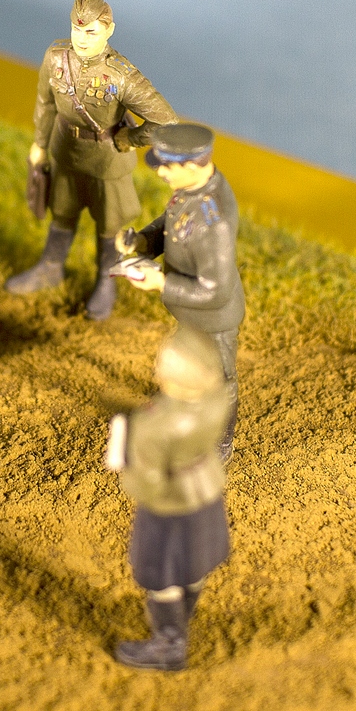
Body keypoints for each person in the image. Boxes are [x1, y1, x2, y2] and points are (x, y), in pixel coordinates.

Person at [5, 0, 178, 320]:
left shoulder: (121, 75)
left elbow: (166, 121)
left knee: (110, 225)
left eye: (91, 32)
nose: (82, 39)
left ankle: (105, 281)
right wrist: (39, 144)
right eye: (76, 29)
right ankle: (50, 267)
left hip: (107, 162)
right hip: (66, 153)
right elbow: (45, 103)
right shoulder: (56, 57)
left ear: (108, 30)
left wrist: (130, 138)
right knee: (62, 212)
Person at [104, 325, 233, 672]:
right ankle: (184, 615)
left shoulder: (154, 426)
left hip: (169, 505)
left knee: (161, 574)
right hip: (205, 490)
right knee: (194, 562)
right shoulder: (218, 399)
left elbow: (147, 484)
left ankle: (169, 644)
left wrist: (125, 453)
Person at [120, 122, 245, 459]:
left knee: (220, 380)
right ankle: (184, 410)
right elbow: (171, 221)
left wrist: (161, 282)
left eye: (167, 167)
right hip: (189, 309)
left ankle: (220, 442)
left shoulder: (214, 221)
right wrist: (143, 241)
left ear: (191, 166)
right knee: (187, 365)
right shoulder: (191, 188)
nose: (161, 173)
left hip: (213, 319)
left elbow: (215, 291)